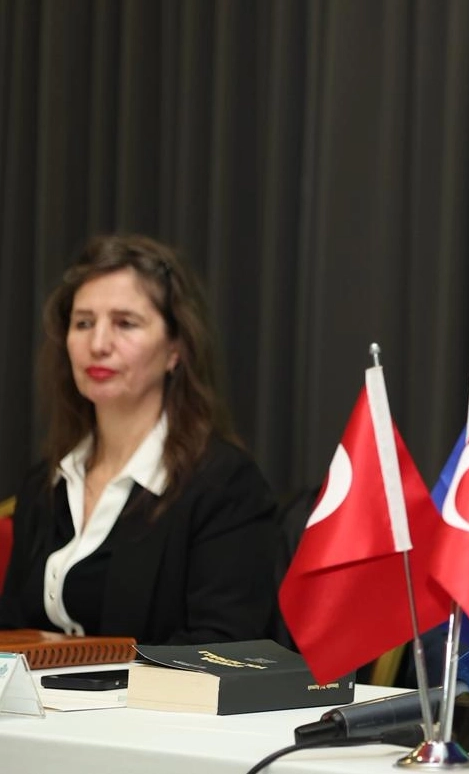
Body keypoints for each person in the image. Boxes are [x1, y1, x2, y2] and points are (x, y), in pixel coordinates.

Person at [0, 234, 279, 644]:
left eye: (125, 323)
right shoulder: (46, 483)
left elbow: (223, 648)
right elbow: (10, 636)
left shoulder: (225, 485)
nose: (98, 345)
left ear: (175, 349)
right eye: (83, 323)